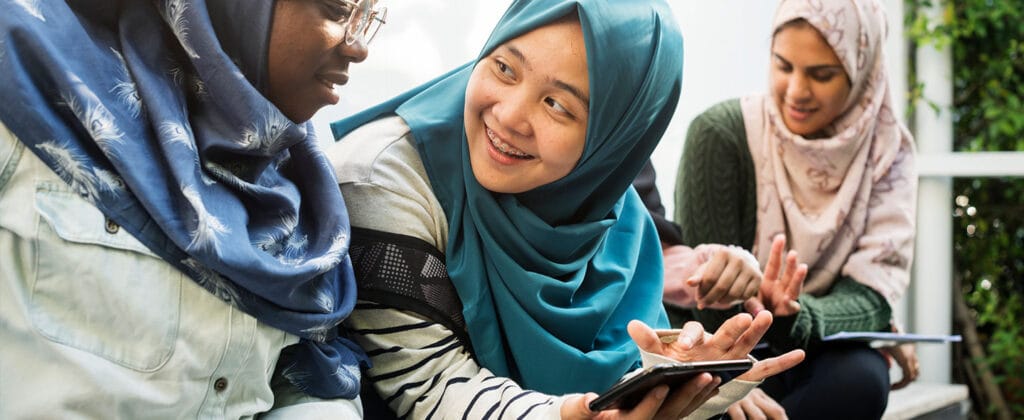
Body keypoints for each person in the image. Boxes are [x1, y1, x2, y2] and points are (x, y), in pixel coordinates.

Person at [326, 1, 805, 418]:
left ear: (614, 141)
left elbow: (628, 369)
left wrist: (695, 386)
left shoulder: (616, 216)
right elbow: (432, 390)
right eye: (504, 68)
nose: (509, 115)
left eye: (558, 105)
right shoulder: (383, 181)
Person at [0, 0, 385, 417]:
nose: (359, 47)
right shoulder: (23, 69)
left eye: (369, 19)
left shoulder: (302, 190)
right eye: (337, 9)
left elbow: (310, 371)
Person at [667, 0, 919, 418]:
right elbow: (703, 296)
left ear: (863, 73)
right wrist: (733, 374)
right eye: (783, 66)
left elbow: (872, 295)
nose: (797, 91)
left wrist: (797, 316)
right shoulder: (721, 134)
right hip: (713, 342)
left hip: (812, 343)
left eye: (822, 75)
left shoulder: (887, 152)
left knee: (862, 379)